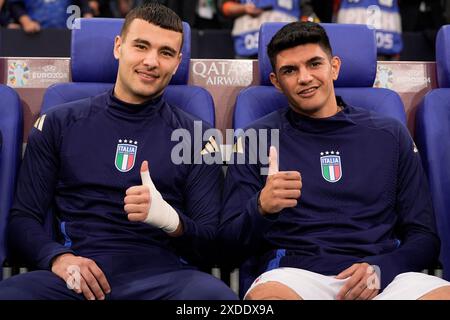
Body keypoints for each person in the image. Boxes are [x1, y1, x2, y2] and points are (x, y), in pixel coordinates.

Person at [0, 3, 237, 300]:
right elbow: (23, 220)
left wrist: (172, 221)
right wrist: (58, 259)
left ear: (177, 63)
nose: (151, 61)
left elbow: (212, 244)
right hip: (76, 278)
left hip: (164, 281)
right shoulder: (58, 123)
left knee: (217, 299)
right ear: (118, 47)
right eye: (141, 46)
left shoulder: (198, 136)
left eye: (165, 53)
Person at [219, 21, 450, 300]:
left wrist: (382, 269)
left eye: (314, 63)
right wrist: (261, 208)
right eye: (290, 70)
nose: (304, 77)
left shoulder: (390, 134)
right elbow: (227, 245)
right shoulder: (254, 138)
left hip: (381, 274)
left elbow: (424, 237)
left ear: (334, 66)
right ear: (276, 83)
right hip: (296, 275)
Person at [219, 0, 316, 58]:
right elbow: (224, 6)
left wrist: (303, 38)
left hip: (286, 47)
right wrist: (244, 8)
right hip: (247, 47)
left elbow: (306, 12)